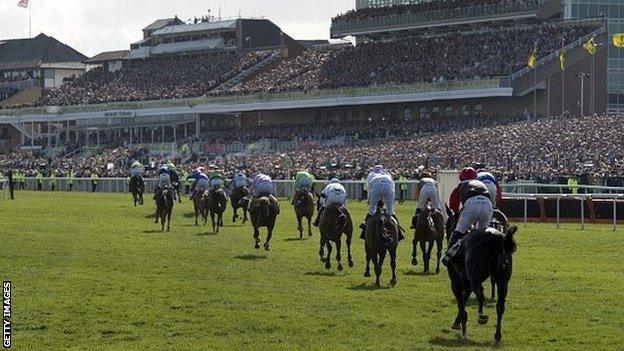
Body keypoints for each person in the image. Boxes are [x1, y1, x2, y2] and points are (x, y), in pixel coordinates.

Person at [442, 178, 493, 266]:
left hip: (471, 205)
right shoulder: (481, 183)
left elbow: (453, 202)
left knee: (459, 231)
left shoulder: (461, 185)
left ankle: (448, 255)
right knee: (481, 234)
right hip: (487, 205)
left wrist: (457, 213)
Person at [360, 165, 404, 241]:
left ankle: (364, 229)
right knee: (390, 212)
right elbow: (393, 188)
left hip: (376, 188)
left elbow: (368, 187)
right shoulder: (387, 174)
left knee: (371, 211)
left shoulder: (371, 174)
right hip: (388, 188)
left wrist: (370, 200)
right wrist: (391, 200)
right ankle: (399, 232)